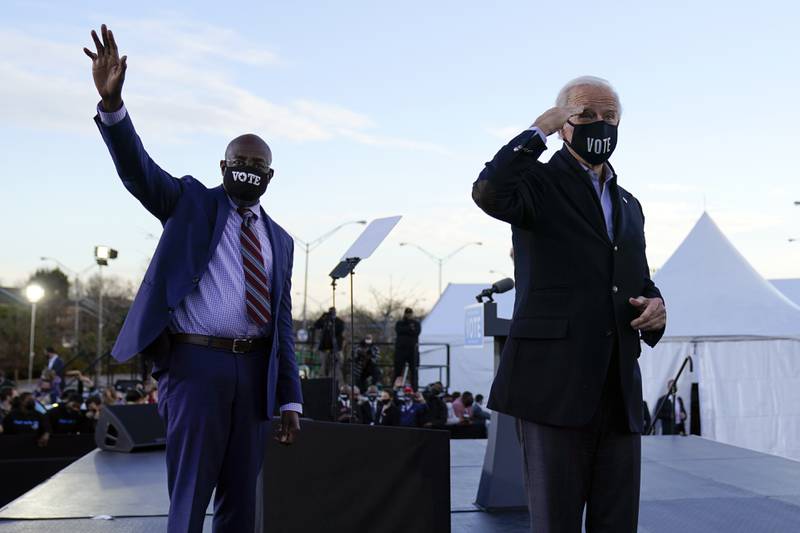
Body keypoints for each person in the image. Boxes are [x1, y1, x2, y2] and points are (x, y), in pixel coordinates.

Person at [84, 24, 302, 533]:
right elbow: (137, 170)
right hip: (194, 365)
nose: (247, 169)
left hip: (254, 375)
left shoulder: (283, 241)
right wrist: (113, 107)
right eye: (239, 161)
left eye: (258, 164)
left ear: (270, 176)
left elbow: (283, 325)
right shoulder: (188, 203)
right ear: (222, 165)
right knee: (191, 493)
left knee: (241, 499)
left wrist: (288, 397)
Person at [472, 76, 666, 532]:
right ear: (564, 125)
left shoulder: (629, 203)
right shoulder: (536, 184)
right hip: (552, 386)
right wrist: (536, 131)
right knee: (555, 522)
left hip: (618, 389)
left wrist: (656, 307)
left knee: (617, 522)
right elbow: (488, 192)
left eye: (610, 117)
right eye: (586, 116)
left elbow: (634, 279)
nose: (600, 125)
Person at [314, 307, 345, 384]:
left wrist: (331, 324)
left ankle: (336, 382)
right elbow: (316, 325)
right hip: (325, 348)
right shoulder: (325, 321)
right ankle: (323, 382)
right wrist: (323, 317)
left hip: (335, 348)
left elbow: (339, 331)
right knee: (324, 366)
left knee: (336, 365)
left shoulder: (339, 322)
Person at [393, 308, 421, 389]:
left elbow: (416, 332)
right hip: (401, 350)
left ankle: (414, 389)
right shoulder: (400, 323)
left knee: (414, 371)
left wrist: (407, 330)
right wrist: (409, 329)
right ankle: (396, 388)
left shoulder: (416, 323)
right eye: (407, 313)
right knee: (398, 371)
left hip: (412, 350)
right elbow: (399, 330)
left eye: (410, 313)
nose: (408, 315)